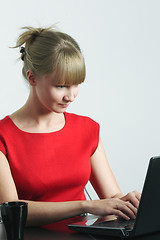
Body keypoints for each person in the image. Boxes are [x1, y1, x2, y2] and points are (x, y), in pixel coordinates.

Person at [0, 26, 140, 231]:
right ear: (32, 78)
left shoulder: (86, 129)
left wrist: (128, 202)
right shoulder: (4, 136)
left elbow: (110, 197)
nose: (71, 96)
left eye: (76, 84)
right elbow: (11, 211)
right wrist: (85, 206)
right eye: (61, 86)